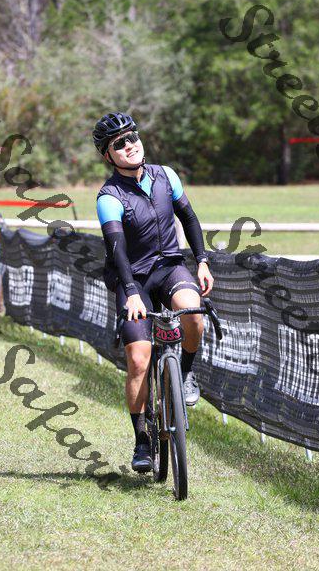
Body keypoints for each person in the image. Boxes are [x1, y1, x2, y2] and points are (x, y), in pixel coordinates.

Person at [93, 111, 214, 472]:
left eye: (132, 137)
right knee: (139, 359)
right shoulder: (109, 196)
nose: (129, 146)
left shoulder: (166, 175)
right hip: (132, 279)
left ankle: (186, 372)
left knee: (193, 313)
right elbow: (116, 249)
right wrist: (130, 291)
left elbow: (188, 218)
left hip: (169, 267)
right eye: (119, 144)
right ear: (108, 155)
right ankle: (142, 439)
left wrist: (202, 261)